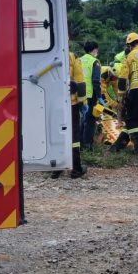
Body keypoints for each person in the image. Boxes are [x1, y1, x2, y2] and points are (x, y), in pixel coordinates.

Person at [52, 48, 87, 178]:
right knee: (74, 137)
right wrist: (83, 102)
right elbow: (80, 81)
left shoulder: (50, 56)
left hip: (53, 105)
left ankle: (56, 169)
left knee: (56, 134)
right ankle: (76, 169)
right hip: (70, 104)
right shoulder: (72, 56)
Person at [80, 41, 102, 151]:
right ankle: (87, 146)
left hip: (79, 95)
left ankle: (79, 144)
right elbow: (96, 81)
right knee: (90, 120)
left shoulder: (79, 60)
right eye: (96, 50)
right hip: (90, 95)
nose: (97, 52)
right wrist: (99, 96)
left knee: (82, 119)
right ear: (93, 50)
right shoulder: (94, 62)